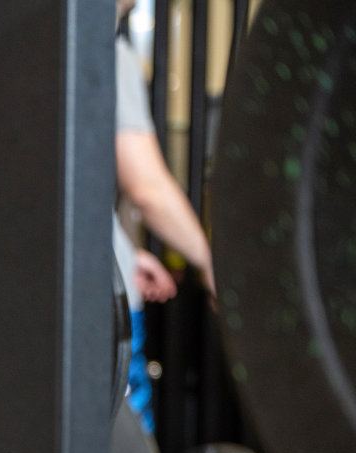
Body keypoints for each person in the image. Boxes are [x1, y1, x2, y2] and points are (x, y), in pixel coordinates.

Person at [113, 1, 217, 431]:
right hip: (101, 305)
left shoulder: (32, 46)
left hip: (43, 293)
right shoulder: (100, 52)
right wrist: (212, 263)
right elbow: (148, 188)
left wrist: (117, 248)